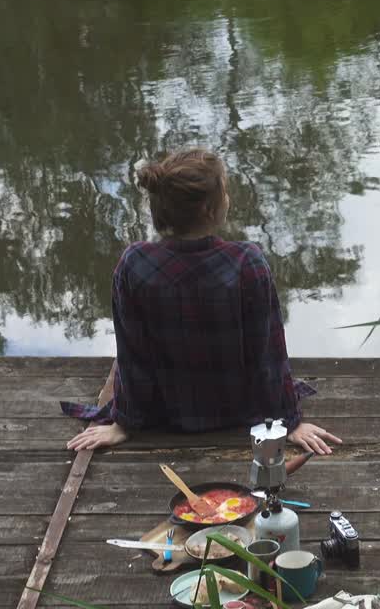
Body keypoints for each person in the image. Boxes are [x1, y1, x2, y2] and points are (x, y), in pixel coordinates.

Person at [62, 148, 341, 455]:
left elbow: (132, 357)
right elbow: (268, 356)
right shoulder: (247, 263)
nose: (229, 197)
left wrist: (123, 423)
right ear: (210, 209)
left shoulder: (134, 264)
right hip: (236, 412)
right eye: (226, 190)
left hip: (164, 415)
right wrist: (289, 421)